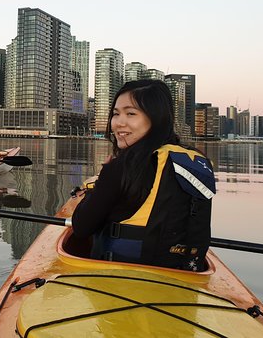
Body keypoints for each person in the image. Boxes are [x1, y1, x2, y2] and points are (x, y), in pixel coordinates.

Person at [71, 79, 216, 271]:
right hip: (185, 276)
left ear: (156, 118)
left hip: (121, 279)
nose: (118, 123)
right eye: (115, 114)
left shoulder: (122, 167)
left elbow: (81, 228)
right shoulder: (197, 162)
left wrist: (104, 177)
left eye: (131, 113)